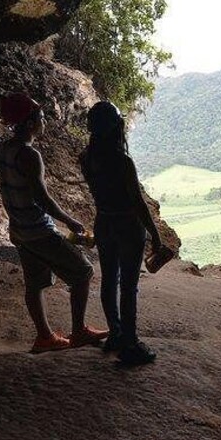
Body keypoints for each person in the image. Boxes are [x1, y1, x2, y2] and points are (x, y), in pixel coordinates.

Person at [0, 93, 108, 353]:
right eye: (41, 117)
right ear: (29, 122)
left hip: (19, 230)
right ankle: (78, 332)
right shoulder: (29, 155)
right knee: (83, 272)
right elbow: (42, 199)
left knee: (34, 284)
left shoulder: (4, 150)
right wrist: (70, 221)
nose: (44, 121)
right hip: (37, 230)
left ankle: (45, 337)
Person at [79, 101, 167, 366]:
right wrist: (155, 234)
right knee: (128, 286)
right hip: (128, 227)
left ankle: (116, 334)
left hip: (104, 222)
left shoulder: (86, 158)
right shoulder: (123, 161)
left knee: (109, 280)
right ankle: (130, 345)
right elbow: (137, 203)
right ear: (116, 127)